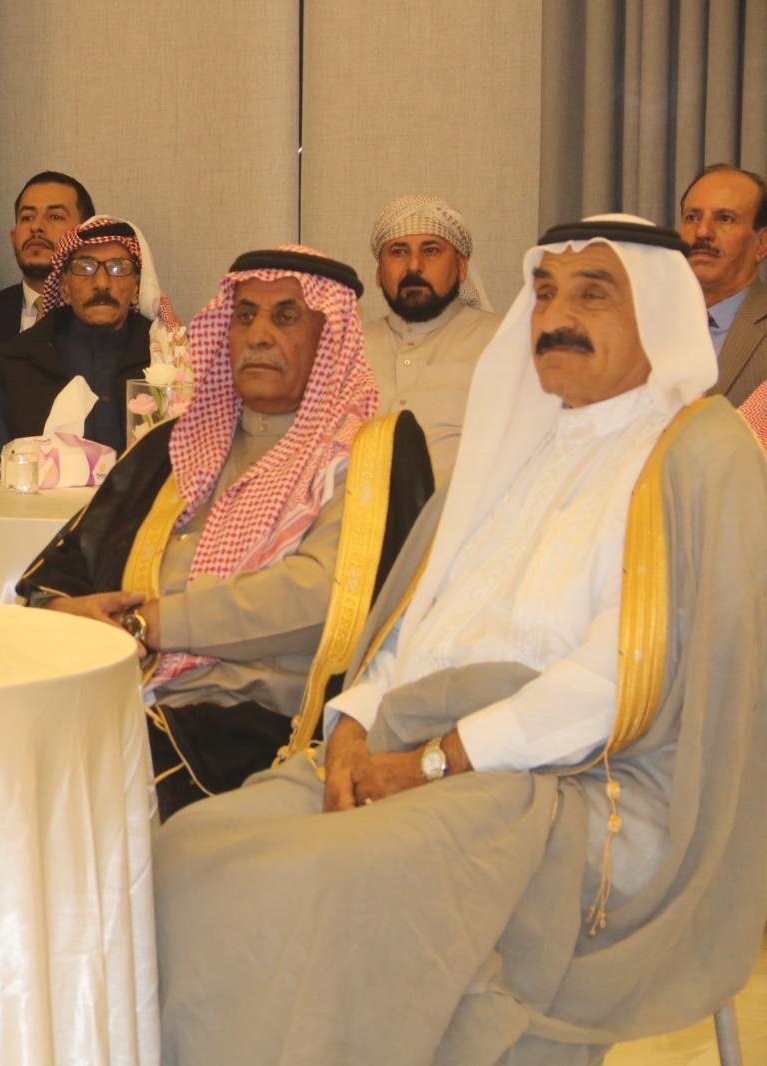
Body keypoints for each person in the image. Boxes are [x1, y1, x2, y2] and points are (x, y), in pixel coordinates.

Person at [154, 216, 767, 1064]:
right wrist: (354, 725)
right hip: (417, 740)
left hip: (579, 778)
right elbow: (415, 618)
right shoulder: (520, 438)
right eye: (544, 293)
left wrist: (437, 762)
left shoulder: (695, 454)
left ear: (657, 313)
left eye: (593, 295)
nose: (556, 317)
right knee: (189, 853)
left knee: (317, 883)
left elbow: (619, 680)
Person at [17, 246, 434, 821]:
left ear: (329, 338)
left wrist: (148, 623)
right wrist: (67, 612)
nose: (258, 335)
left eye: (285, 317)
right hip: (126, 691)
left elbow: (323, 596)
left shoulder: (371, 451)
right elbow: (65, 567)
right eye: (244, 316)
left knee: (63, 780)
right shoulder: (170, 448)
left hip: (251, 723)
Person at [0, 215, 183, 456]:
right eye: (84, 268)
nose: (102, 283)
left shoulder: (167, 359)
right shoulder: (14, 363)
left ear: (137, 288)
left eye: (118, 268)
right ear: (64, 288)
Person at [362, 194, 501, 482]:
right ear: (378, 273)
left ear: (461, 267)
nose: (414, 265)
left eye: (431, 250)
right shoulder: (350, 348)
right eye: (398, 252)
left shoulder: (501, 342)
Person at [0, 171, 94, 398]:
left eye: (55, 217)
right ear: (13, 237)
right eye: (27, 217)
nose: (36, 227)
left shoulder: (103, 314)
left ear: (87, 237)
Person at [678, 163, 767, 402]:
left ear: (761, 244)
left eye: (725, 219)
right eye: (692, 217)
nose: (702, 232)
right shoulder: (644, 325)